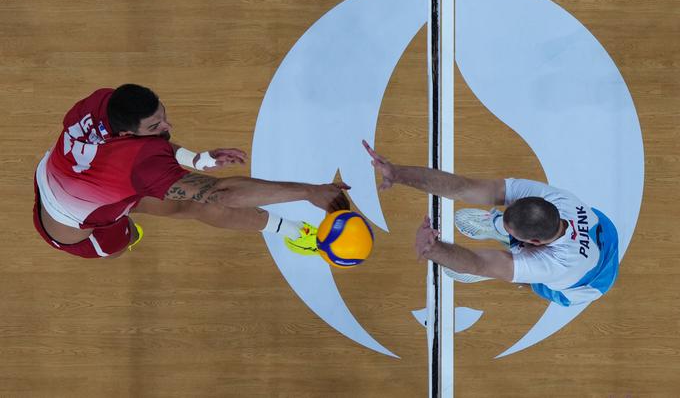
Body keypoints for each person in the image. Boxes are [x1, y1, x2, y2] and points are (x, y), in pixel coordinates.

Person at [33, 84, 349, 259]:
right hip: (71, 223)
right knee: (119, 243)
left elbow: (149, 149)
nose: (167, 127)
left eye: (163, 115)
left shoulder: (104, 103)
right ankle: (124, 230)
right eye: (156, 126)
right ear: (127, 134)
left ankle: (292, 232)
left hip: (68, 169)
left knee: (189, 203)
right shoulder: (139, 164)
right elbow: (222, 193)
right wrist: (309, 191)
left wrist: (195, 160)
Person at [363, 140, 619, 307]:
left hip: (587, 283)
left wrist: (434, 249)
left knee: (528, 279)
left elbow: (480, 263)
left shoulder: (555, 265)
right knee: (503, 248)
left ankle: (512, 265)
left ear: (536, 242)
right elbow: (465, 188)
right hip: (605, 230)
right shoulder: (556, 199)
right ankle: (498, 228)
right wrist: (398, 174)